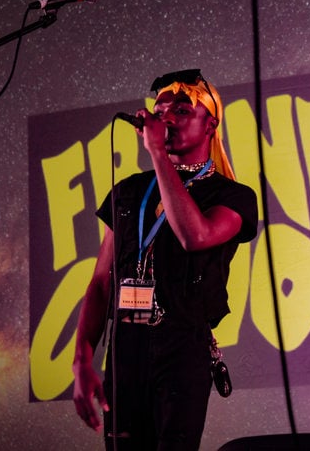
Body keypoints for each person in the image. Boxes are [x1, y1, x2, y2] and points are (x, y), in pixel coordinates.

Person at [72, 69, 259, 451]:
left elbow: (196, 236)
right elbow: (101, 282)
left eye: (183, 111)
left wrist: (158, 153)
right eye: (160, 110)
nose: (167, 117)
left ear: (210, 125)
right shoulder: (129, 192)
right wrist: (82, 359)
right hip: (127, 345)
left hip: (181, 347)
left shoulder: (233, 196)